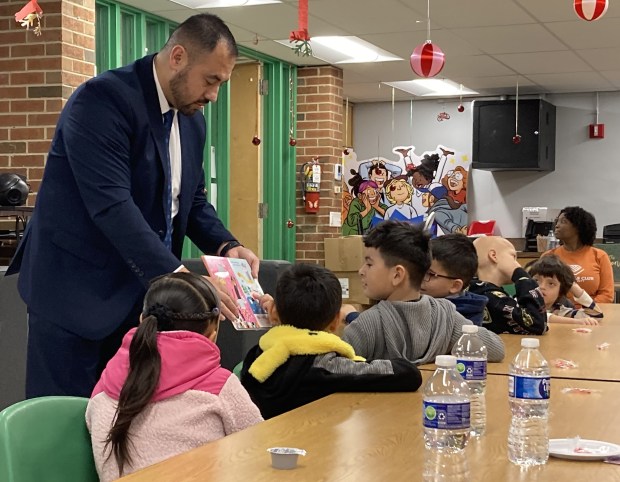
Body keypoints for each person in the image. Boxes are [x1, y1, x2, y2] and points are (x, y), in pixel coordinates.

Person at [5, 13, 259, 399]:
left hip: (136, 299)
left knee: (127, 419)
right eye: (211, 80)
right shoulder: (103, 100)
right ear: (177, 57)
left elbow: (188, 199)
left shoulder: (192, 122)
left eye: (221, 84)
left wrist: (226, 245)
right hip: (73, 293)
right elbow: (111, 205)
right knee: (65, 422)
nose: (213, 96)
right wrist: (180, 276)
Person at [86, 272, 262, 482]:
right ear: (213, 332)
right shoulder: (219, 386)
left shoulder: (104, 386)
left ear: (142, 320)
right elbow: (259, 446)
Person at [240, 263, 423, 419]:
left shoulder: (255, 360)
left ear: (272, 313)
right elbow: (409, 374)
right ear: (336, 321)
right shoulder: (327, 366)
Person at [341, 221, 505, 365]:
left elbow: (333, 371)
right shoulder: (445, 316)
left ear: (397, 275)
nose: (361, 271)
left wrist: (388, 371)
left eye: (369, 264)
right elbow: (496, 348)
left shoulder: (364, 327)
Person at [469, 236, 547, 335]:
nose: (517, 263)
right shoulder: (491, 297)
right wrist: (522, 276)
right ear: (494, 255)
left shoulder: (476, 290)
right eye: (513, 257)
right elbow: (538, 325)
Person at [543, 206, 614, 304]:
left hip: (592, 313)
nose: (557, 225)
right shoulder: (549, 256)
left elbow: (607, 295)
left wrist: (586, 308)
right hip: (559, 313)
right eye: (557, 221)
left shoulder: (599, 256)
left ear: (578, 228)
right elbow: (541, 292)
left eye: (563, 222)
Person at [421, 233, 488, 325]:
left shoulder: (463, 318)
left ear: (455, 286)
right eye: (419, 269)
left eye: (429, 274)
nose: (418, 277)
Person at [527, 255, 603, 325]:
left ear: (560, 292)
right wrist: (577, 322)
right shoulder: (522, 304)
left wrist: (571, 285)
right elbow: (543, 317)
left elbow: (597, 315)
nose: (542, 286)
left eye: (551, 283)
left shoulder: (560, 312)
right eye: (536, 280)